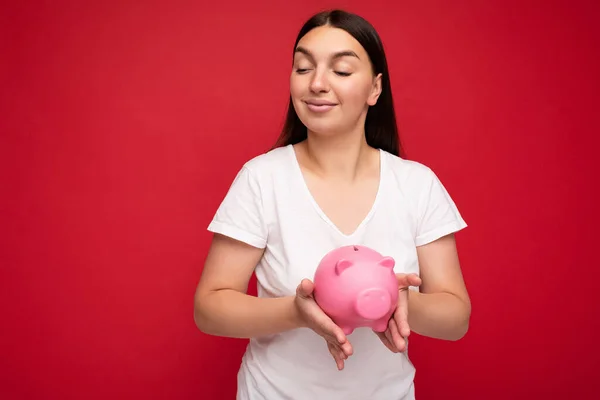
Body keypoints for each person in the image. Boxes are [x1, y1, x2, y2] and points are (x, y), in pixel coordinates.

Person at [194, 9, 471, 400]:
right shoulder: (262, 179)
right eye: (303, 67)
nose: (317, 83)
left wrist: (395, 299)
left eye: (341, 71)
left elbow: (456, 319)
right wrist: (297, 311)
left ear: (375, 89)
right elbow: (209, 308)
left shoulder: (416, 185)